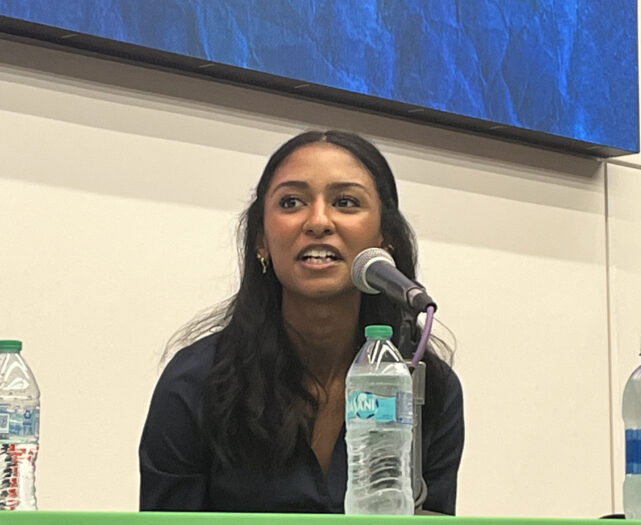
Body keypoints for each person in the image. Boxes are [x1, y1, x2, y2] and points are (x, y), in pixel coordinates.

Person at [139, 130, 464, 514]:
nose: (318, 221)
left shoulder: (427, 388)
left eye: (345, 202)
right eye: (291, 202)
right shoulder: (196, 381)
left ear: (385, 239)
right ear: (261, 239)